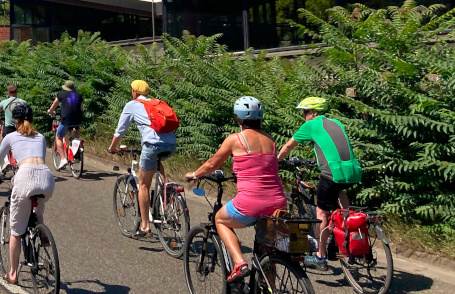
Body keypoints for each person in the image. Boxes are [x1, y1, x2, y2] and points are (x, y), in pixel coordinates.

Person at [185, 96, 286, 282]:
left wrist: (195, 174)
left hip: (251, 203)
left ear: (238, 118)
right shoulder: (270, 140)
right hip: (278, 203)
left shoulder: (235, 139)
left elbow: (212, 163)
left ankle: (239, 263)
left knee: (220, 220)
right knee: (267, 251)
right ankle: (268, 284)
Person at [277, 97, 362, 270]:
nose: (304, 116)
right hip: (352, 170)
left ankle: (320, 256)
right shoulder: (337, 122)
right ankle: (346, 230)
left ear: (314, 113)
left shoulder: (311, 125)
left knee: (322, 212)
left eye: (306, 112)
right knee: (339, 195)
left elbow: (288, 146)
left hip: (331, 172)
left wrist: (276, 161)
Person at [0, 103, 54, 285]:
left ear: (15, 120)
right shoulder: (41, 137)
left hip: (25, 177)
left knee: (16, 231)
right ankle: (42, 231)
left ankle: (13, 273)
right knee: (38, 209)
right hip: (46, 178)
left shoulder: (11, 136)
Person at [107, 80, 177, 239]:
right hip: (171, 144)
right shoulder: (156, 103)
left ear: (135, 92)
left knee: (143, 184)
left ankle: (145, 226)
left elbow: (120, 130)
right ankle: (165, 196)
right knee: (157, 165)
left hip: (152, 145)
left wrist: (112, 147)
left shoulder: (132, 105)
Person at [47, 80, 83, 169]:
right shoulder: (79, 95)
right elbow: (81, 108)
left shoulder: (61, 94)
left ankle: (63, 159)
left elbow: (53, 106)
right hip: (78, 119)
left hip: (66, 119)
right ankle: (76, 153)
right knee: (75, 134)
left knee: (58, 137)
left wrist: (50, 112)